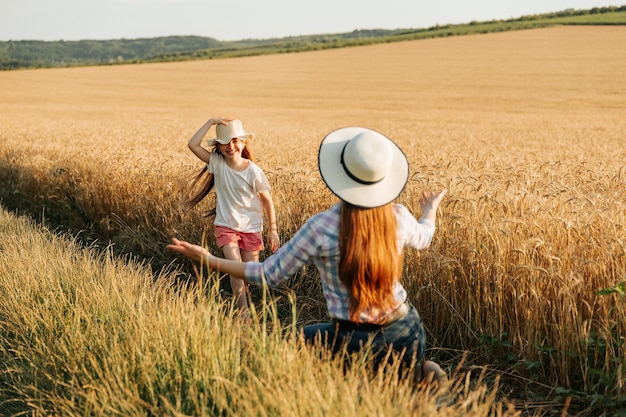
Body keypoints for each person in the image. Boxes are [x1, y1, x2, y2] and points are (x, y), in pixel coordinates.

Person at [171, 126, 447, 384]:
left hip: (353, 337)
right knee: (406, 384)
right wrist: (430, 210)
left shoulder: (322, 227)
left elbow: (267, 274)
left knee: (286, 349)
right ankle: (423, 374)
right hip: (408, 328)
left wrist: (208, 258)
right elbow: (425, 236)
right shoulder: (397, 216)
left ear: (339, 172)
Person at [185, 117, 280, 313]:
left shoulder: (253, 171)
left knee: (249, 272)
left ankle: (244, 296)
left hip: (251, 227)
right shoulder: (217, 163)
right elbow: (192, 144)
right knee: (234, 267)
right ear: (218, 147)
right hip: (226, 225)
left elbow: (267, 201)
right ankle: (243, 312)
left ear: (243, 143)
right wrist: (211, 122)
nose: (231, 146)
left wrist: (273, 230)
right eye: (225, 142)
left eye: (235, 140)